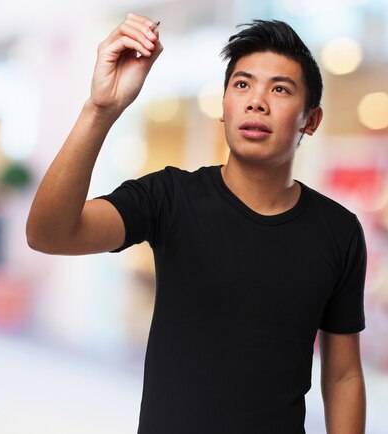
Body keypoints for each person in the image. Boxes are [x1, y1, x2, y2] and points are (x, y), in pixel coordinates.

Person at [27, 12, 367, 434]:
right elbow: (48, 233)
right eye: (242, 84)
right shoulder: (169, 198)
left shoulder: (338, 231)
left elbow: (343, 375)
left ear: (310, 121)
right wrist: (101, 109)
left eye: (280, 89)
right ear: (223, 108)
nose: (256, 101)